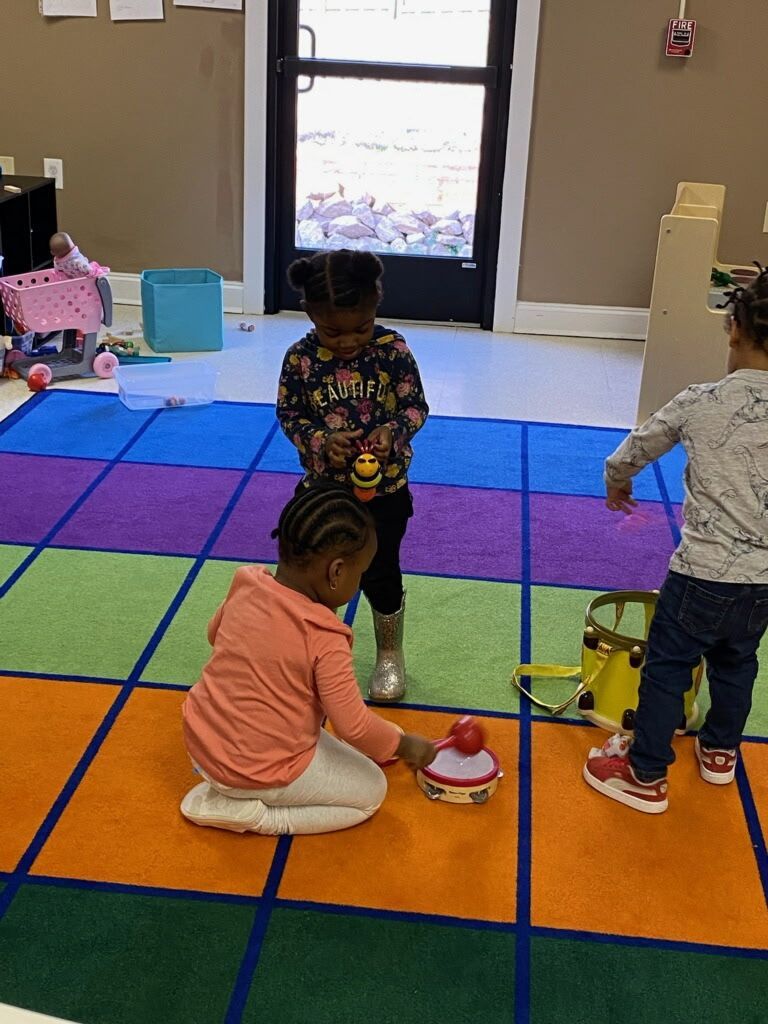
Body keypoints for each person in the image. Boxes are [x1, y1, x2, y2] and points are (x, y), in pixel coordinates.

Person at [584, 264, 768, 814]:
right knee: (738, 663)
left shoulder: (700, 400)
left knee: (667, 666)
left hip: (701, 575)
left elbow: (631, 451)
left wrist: (617, 483)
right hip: (763, 583)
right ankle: (718, 751)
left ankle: (644, 773)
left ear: (733, 329)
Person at [180, 486, 435, 836]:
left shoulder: (246, 582)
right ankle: (254, 815)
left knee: (333, 741)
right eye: (359, 574)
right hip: (256, 770)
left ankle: (227, 787)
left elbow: (214, 634)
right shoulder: (324, 635)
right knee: (372, 790)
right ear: (336, 573)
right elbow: (353, 726)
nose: (358, 584)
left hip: (201, 744)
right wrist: (406, 745)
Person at [277, 248, 429, 702]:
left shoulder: (392, 351)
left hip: (384, 491)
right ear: (309, 314)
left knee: (381, 570)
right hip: (323, 493)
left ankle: (388, 653)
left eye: (359, 328)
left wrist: (393, 431)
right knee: (310, 572)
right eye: (331, 331)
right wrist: (321, 441)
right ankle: (306, 651)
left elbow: (415, 405)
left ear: (376, 304)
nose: (346, 342)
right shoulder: (300, 359)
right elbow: (289, 413)